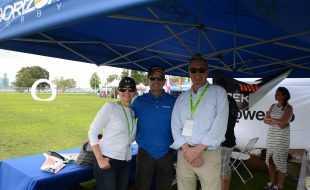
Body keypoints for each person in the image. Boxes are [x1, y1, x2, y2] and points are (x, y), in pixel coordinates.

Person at [170, 54, 229, 190]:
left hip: (208, 154)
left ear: (207, 71)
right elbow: (175, 126)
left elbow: (219, 125)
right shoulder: (182, 97)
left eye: (201, 70)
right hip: (184, 153)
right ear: (189, 72)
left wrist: (197, 150)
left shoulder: (218, 93)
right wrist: (187, 150)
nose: (198, 73)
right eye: (193, 70)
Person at [131, 66, 176, 190]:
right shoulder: (138, 101)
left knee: (164, 187)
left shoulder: (173, 101)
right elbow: (126, 123)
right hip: (145, 151)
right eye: (153, 78)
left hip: (167, 151)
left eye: (160, 78)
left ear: (164, 80)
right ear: (148, 80)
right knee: (142, 186)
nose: (156, 81)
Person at [88, 77, 137, 190]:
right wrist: (100, 159)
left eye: (130, 89)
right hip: (108, 160)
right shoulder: (110, 107)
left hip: (125, 161)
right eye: (123, 89)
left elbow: (128, 136)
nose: (127, 92)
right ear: (118, 91)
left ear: (134, 92)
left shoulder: (132, 112)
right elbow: (92, 132)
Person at [264, 87, 293, 190]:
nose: (275, 95)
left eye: (278, 94)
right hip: (272, 137)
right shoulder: (273, 106)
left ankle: (280, 185)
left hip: (281, 139)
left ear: (284, 95)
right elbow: (266, 121)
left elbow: (283, 122)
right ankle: (272, 182)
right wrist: (279, 122)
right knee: (270, 160)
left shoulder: (288, 108)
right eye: (275, 93)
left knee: (280, 161)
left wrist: (272, 119)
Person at [216, 79, 239, 190]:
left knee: (220, 172)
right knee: (226, 168)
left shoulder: (220, 101)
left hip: (223, 142)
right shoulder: (231, 100)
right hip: (230, 140)